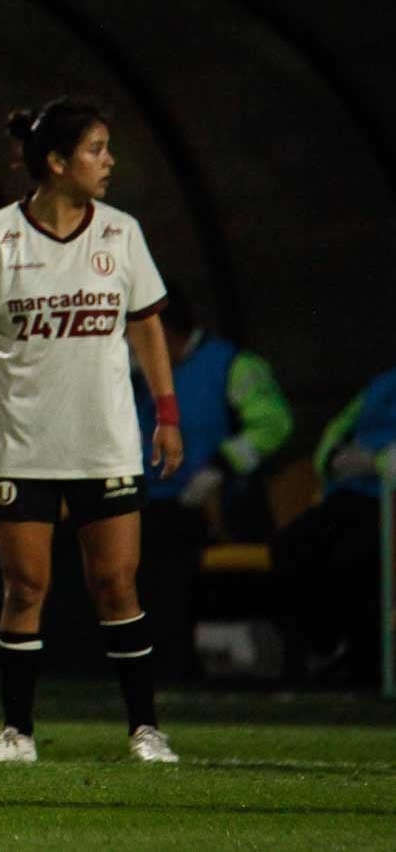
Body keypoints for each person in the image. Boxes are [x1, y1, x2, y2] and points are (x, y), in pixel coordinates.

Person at [0, 97, 184, 763]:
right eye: (96, 149)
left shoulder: (121, 233)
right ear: (56, 162)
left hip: (103, 439)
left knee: (117, 584)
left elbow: (146, 326)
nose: (108, 162)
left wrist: (166, 413)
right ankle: (18, 733)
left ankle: (145, 728)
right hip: (20, 442)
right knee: (25, 586)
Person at [134, 287, 293, 680]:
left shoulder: (232, 366)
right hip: (146, 498)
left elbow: (274, 424)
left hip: (210, 504)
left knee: (163, 551)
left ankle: (172, 669)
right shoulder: (134, 376)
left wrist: (221, 467)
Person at [272, 367, 396, 686]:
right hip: (352, 495)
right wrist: (333, 459)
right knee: (290, 544)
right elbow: (337, 430)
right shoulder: (383, 384)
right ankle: (319, 648)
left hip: (390, 499)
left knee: (357, 554)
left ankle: (364, 665)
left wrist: (379, 462)